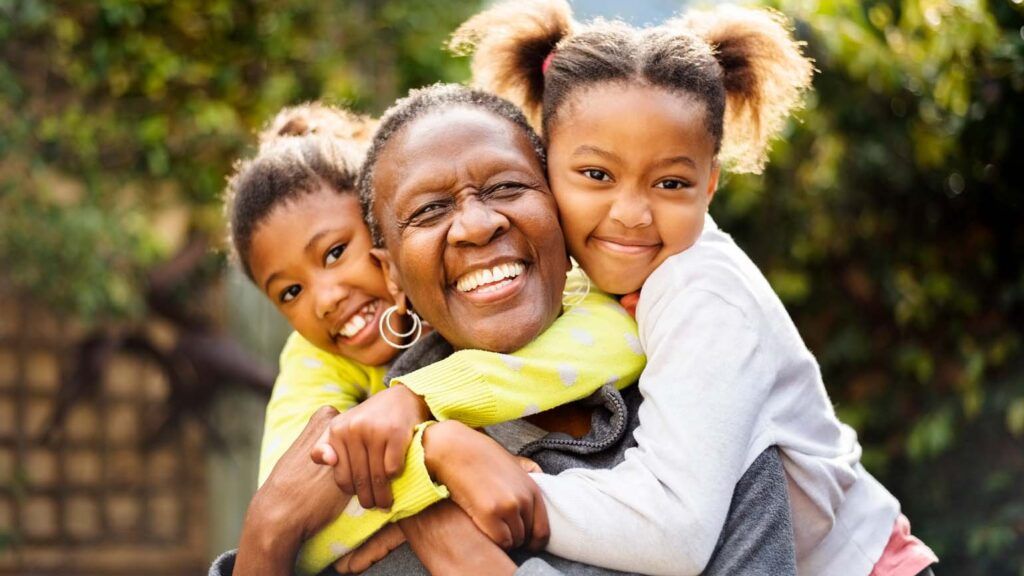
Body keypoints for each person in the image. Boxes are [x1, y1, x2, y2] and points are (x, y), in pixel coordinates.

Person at [210, 83, 797, 575]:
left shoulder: (699, 425)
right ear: (392, 272)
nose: (475, 225)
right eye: (429, 210)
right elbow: (291, 502)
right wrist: (270, 531)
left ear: (560, 213)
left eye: (507, 187)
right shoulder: (368, 488)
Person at [451, 1, 938, 575]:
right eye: (597, 175)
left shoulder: (700, 294)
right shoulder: (582, 278)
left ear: (709, 185)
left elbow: (675, 531)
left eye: (671, 182)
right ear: (543, 160)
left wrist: (507, 494)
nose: (631, 214)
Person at [223, 102, 645, 574]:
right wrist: (430, 462)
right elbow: (294, 498)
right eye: (290, 291)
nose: (324, 298)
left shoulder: (555, 289)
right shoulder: (312, 360)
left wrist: (420, 402)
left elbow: (619, 336)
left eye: (337, 251)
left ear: (382, 235)